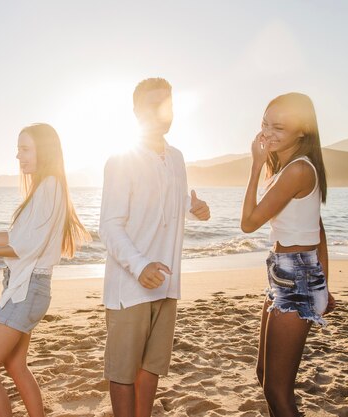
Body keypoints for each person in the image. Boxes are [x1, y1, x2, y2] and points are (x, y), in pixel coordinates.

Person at [0, 123, 89, 417]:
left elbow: (24, 248)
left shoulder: (48, 187)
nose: (18, 156)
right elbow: (15, 238)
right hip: (26, 287)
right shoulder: (47, 187)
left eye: (25, 149)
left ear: (43, 151)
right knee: (14, 365)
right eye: (18, 150)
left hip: (26, 290)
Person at [99, 78, 211, 417]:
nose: (162, 111)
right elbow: (109, 225)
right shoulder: (121, 159)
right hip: (130, 287)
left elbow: (168, 209)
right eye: (152, 104)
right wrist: (140, 265)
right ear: (135, 111)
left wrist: (195, 210)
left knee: (151, 369)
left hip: (167, 283)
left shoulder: (177, 158)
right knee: (122, 372)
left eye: (167, 104)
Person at [240, 92, 336, 417]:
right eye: (264, 124)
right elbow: (318, 229)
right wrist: (325, 285)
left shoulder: (297, 170)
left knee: (278, 393)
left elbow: (249, 223)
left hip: (296, 277)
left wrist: (254, 165)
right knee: (264, 377)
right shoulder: (287, 167)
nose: (267, 133)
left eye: (278, 127)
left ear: (302, 132)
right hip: (286, 274)